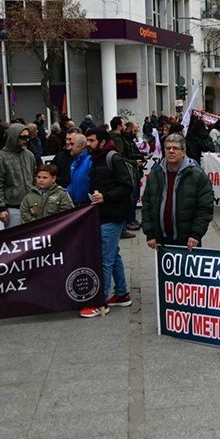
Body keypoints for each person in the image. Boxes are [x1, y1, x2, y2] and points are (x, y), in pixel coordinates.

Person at [79, 128, 134, 318]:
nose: (88, 144)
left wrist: (105, 197)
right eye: (87, 140)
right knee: (113, 255)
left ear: (102, 142)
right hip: (104, 215)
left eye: (92, 140)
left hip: (112, 216)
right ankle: (121, 294)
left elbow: (127, 186)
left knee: (104, 260)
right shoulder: (97, 158)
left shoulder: (113, 158)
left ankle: (99, 302)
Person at [142, 134, 214, 250]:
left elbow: (205, 207)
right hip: (161, 241)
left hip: (189, 241)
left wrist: (196, 234)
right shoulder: (155, 174)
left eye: (175, 148)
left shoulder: (197, 175)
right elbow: (147, 206)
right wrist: (149, 233)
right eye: (168, 148)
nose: (171, 151)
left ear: (183, 151)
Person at [0, 123, 36, 228]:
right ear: (14, 136)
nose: (27, 140)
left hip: (32, 207)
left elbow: (35, 179)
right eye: (23, 137)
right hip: (12, 208)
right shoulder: (0, 158)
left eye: (28, 137)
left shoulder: (29, 155)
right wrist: (1, 208)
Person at [66, 133, 92, 205]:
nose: (70, 147)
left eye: (72, 144)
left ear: (82, 145)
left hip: (88, 206)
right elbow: (72, 185)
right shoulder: (75, 163)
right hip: (77, 206)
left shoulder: (90, 161)